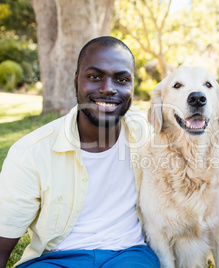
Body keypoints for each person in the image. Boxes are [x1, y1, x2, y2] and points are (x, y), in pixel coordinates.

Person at [0, 36, 159, 268]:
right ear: (76, 80)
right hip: (56, 260)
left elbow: (193, 141)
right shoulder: (31, 152)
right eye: (95, 77)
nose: (108, 89)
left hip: (129, 254)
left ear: (132, 86)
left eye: (122, 79)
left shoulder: (149, 133)